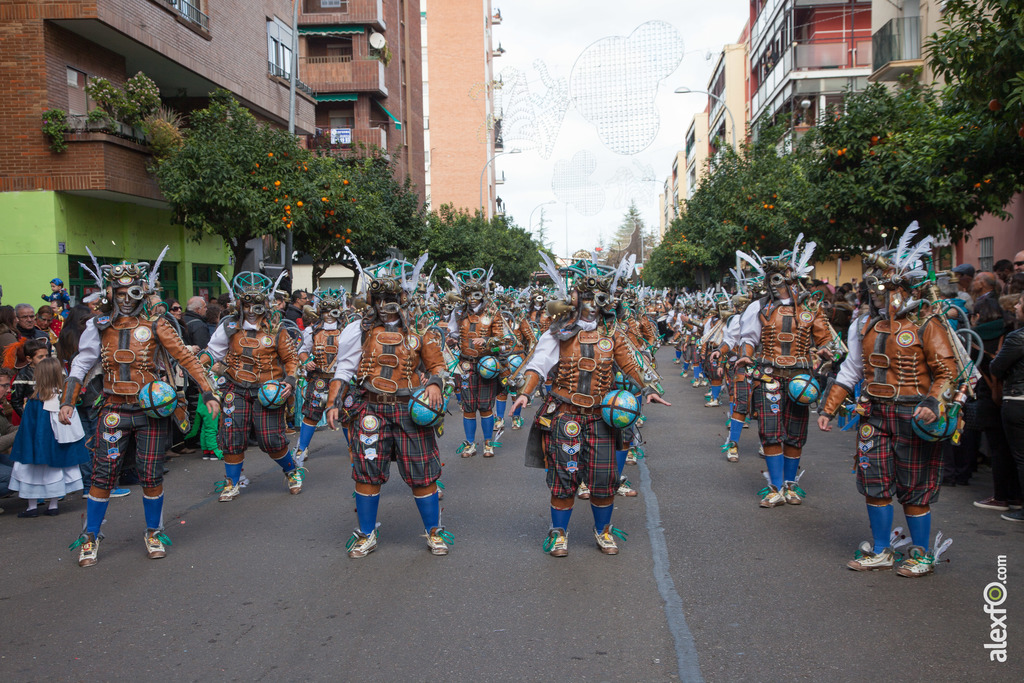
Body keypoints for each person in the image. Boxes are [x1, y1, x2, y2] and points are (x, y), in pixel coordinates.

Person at [818, 224, 965, 577]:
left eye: (883, 289)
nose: (877, 296)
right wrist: (828, 407)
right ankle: (882, 549)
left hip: (916, 417)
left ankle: (920, 553)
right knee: (875, 483)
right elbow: (852, 370)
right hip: (874, 415)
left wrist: (932, 404)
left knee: (916, 488)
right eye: (873, 290)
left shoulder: (928, 322)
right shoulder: (863, 325)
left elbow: (948, 371)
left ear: (902, 288)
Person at [60, 251, 219, 567]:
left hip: (151, 411)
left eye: (132, 291)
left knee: (150, 473)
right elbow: (81, 362)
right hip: (113, 409)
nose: (126, 299)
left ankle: (153, 531)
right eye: (119, 292)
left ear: (142, 291)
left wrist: (208, 390)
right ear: (110, 293)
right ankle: (91, 536)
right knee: (103, 474)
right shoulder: (99, 325)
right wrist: (68, 399)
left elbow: (185, 358)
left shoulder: (157, 324)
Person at [511, 254, 670, 557]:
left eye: (599, 299)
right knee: (564, 476)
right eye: (587, 298)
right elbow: (539, 362)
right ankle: (558, 534)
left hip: (601, 417)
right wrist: (526, 392)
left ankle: (604, 531)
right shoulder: (558, 330)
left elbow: (633, 365)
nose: (594, 304)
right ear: (578, 298)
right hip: (564, 414)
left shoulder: (614, 335)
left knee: (603, 478)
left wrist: (650, 388)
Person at [324, 253, 454, 557]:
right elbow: (343, 370)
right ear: (372, 300)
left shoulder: (422, 331)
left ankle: (434, 531)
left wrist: (435, 384)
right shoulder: (357, 329)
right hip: (370, 408)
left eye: (391, 297)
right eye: (379, 298)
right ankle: (366, 534)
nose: (385, 304)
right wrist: (332, 402)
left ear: (402, 297)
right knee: (366, 471)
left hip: (411, 409)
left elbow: (438, 368)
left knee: (422, 472)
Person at [735, 237, 840, 507]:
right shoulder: (758, 307)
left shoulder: (810, 308)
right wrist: (746, 357)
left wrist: (828, 350)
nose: (787, 286)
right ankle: (775, 487)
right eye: (781, 280)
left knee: (795, 434)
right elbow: (748, 339)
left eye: (791, 280)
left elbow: (826, 339)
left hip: (801, 379)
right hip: (769, 376)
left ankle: (791, 485)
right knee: (770, 433)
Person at [200, 271, 302, 502]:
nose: (251, 309)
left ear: (265, 304)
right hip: (235, 388)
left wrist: (290, 380)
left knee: (270, 440)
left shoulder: (276, 329)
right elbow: (212, 352)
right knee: (232, 436)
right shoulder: (229, 326)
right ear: (240, 304)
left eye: (257, 303)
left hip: (268, 392)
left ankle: (291, 471)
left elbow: (291, 360)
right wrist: (197, 364)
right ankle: (232, 483)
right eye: (247, 303)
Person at [9, 357, 89, 517]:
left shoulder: (35, 400)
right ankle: (53, 505)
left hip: (35, 446)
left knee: (31, 473)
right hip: (57, 446)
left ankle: (32, 508)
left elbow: (28, 428)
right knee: (55, 473)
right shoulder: (63, 399)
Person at [447, 268, 505, 458]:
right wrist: (451, 340)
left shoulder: (492, 312)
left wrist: (487, 342)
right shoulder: (458, 312)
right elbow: (453, 332)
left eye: (476, 294)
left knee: (486, 405)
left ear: (482, 295)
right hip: (465, 364)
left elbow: (501, 340)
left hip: (486, 364)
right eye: (468, 295)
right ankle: (470, 444)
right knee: (468, 405)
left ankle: (488, 443)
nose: (472, 298)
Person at [294, 289, 346, 467]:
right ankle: (302, 446)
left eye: (332, 311)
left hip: (341, 379)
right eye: (325, 311)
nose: (328, 316)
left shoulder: (346, 330)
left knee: (347, 413)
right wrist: (306, 361)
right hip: (319, 378)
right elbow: (301, 350)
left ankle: (352, 446)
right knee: (311, 414)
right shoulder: (311, 330)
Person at [990, 292, 1024, 522]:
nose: (1017, 306)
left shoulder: (1017, 338)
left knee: (1021, 457)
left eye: (1021, 303)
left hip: (1018, 401)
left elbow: (996, 366)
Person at [10, 338, 50, 416]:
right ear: (29, 358)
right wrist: (27, 417)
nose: (45, 359)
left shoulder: (51, 370)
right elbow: (16, 401)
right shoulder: (23, 375)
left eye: (47, 355)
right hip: (33, 414)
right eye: (40, 357)